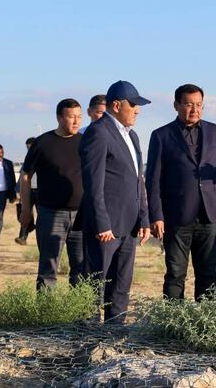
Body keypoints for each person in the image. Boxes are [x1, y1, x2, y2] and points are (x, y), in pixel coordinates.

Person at [146, 84, 216, 301]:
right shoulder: (161, 136)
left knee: (209, 274)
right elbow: (153, 181)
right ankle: (173, 319)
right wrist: (156, 216)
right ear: (176, 105)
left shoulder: (215, 132)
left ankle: (205, 319)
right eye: (188, 104)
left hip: (209, 216)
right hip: (177, 217)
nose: (194, 109)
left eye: (199, 105)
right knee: (175, 274)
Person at [79, 80, 151, 322]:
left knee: (120, 285)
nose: (137, 111)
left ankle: (115, 332)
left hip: (129, 225)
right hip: (106, 227)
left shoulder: (133, 136)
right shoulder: (98, 132)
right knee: (95, 284)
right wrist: (102, 223)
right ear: (117, 105)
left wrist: (144, 218)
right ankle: (88, 335)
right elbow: (93, 184)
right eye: (133, 105)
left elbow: (138, 180)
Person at [19, 99, 85, 289]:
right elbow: (25, 175)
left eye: (79, 117)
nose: (76, 121)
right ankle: (47, 308)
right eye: (71, 117)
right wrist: (26, 210)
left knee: (82, 270)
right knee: (48, 269)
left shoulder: (85, 142)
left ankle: (79, 309)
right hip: (51, 214)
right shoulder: (42, 143)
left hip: (82, 216)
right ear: (59, 118)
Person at [15, 137, 38, 245]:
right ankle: (22, 237)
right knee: (24, 213)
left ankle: (42, 236)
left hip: (41, 191)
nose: (29, 150)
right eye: (27, 148)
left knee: (43, 215)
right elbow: (22, 176)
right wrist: (18, 190)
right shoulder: (27, 159)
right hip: (28, 191)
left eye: (30, 147)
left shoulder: (45, 157)